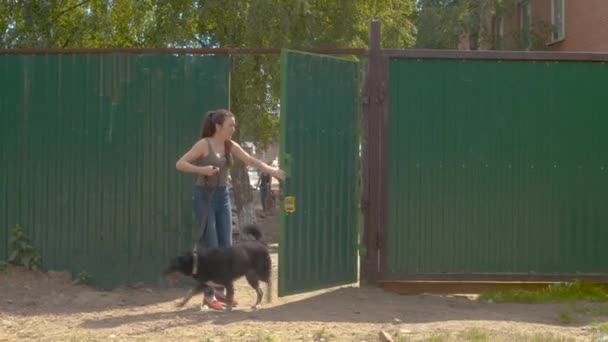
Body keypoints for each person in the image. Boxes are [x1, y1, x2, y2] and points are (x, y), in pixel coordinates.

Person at [175, 108, 285, 310]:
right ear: (218, 127)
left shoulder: (229, 145)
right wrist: (202, 170)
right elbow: (180, 164)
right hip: (204, 196)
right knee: (213, 246)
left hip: (223, 196)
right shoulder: (204, 144)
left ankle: (219, 293)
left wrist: (272, 171)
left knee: (226, 246)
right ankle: (210, 295)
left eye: (234, 125)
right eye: (230, 125)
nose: (233, 129)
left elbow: (250, 160)